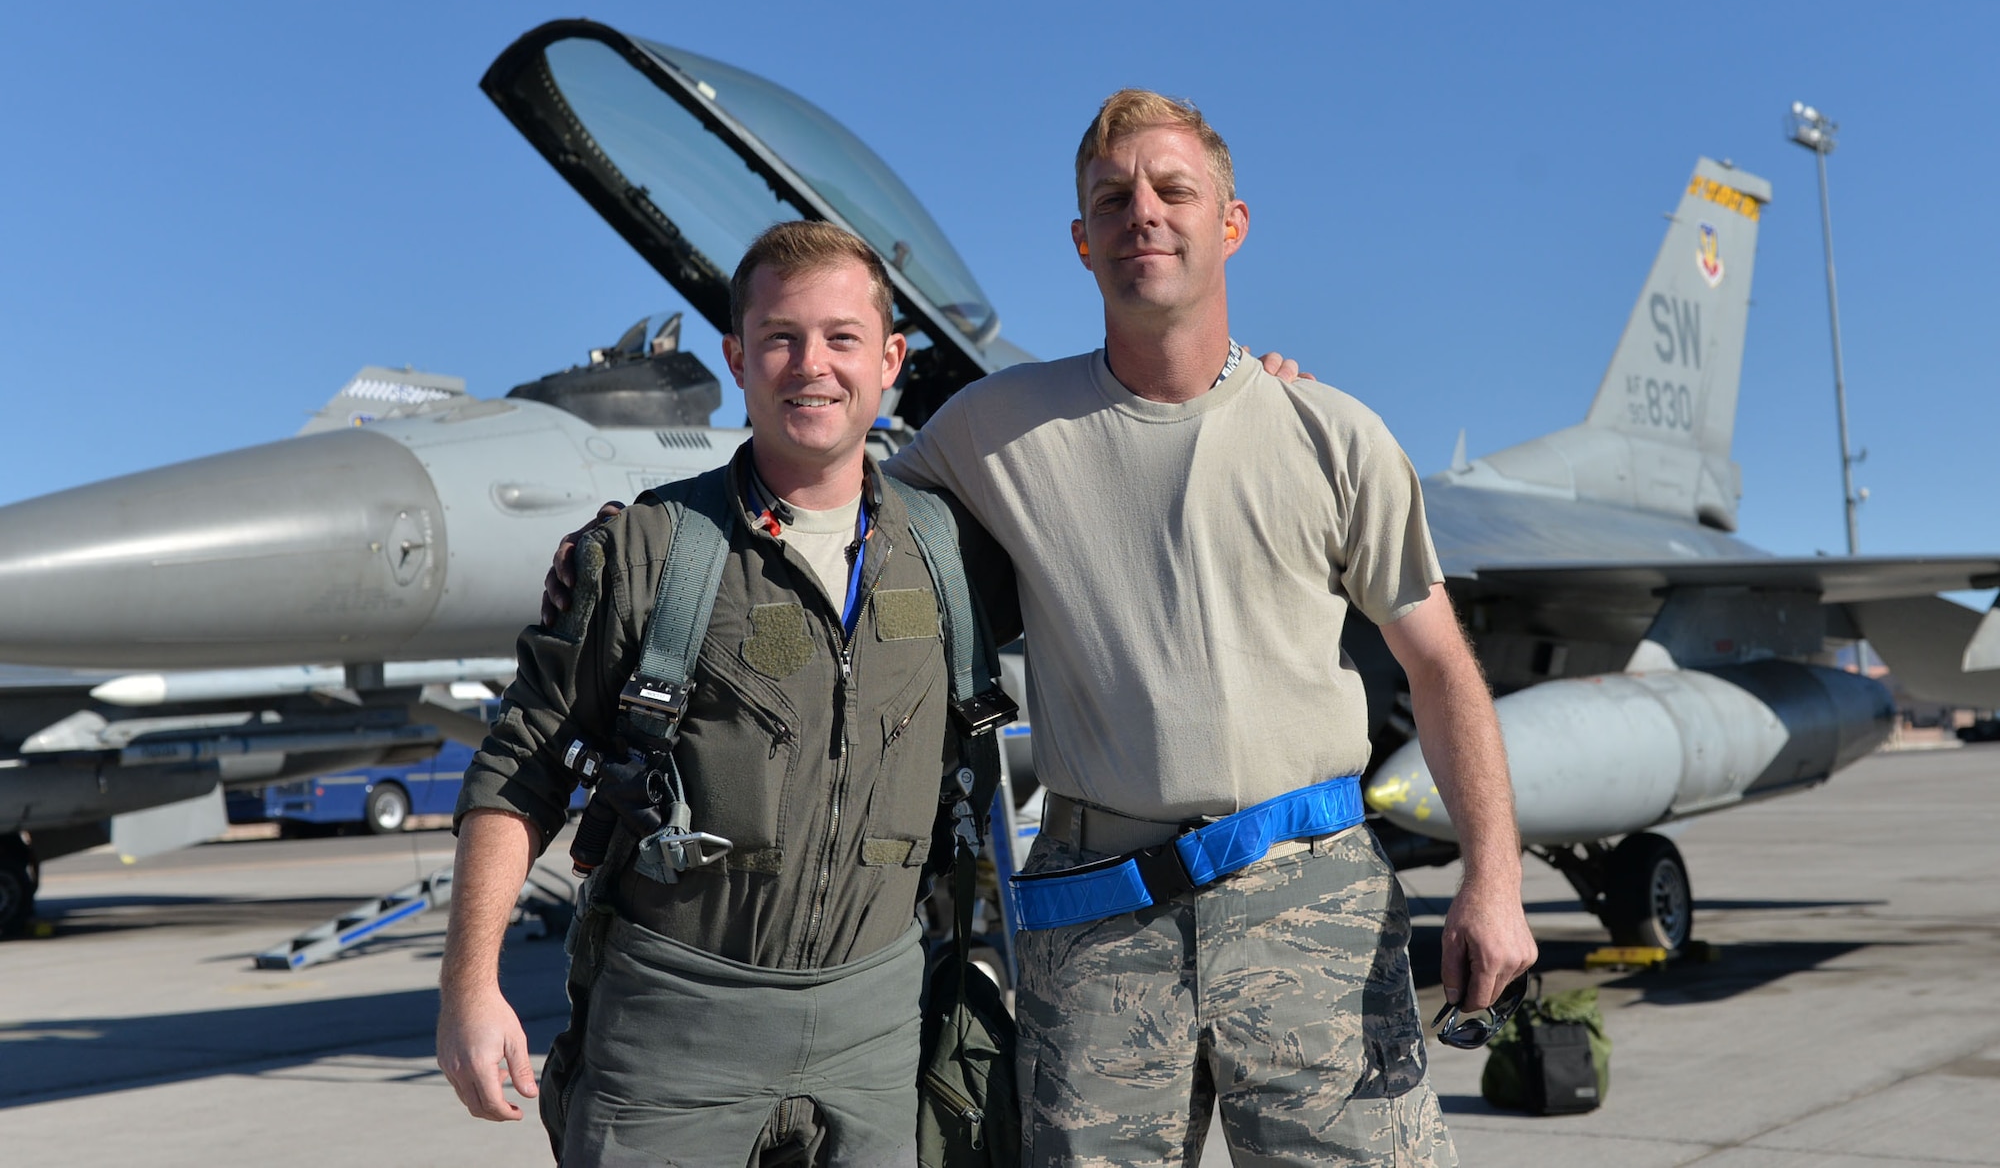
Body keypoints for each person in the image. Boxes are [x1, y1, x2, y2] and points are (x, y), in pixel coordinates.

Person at [545, 91, 1536, 1165]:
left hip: (1310, 902)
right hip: (1097, 920)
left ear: (1230, 224)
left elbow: (1439, 669)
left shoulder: (1330, 433)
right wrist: (641, 529)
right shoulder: (991, 427)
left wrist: (1492, 877)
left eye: (1172, 191)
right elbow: (821, 494)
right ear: (1080, 240)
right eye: (1111, 199)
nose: (1141, 215)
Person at [437, 220, 1017, 1167]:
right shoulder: (650, 551)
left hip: (878, 1031)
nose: (811, 366)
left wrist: (1253, 382)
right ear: (737, 358)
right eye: (781, 338)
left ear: (891, 360)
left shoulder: (953, 557)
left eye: (840, 338)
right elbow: (521, 767)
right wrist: (469, 984)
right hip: (677, 1029)